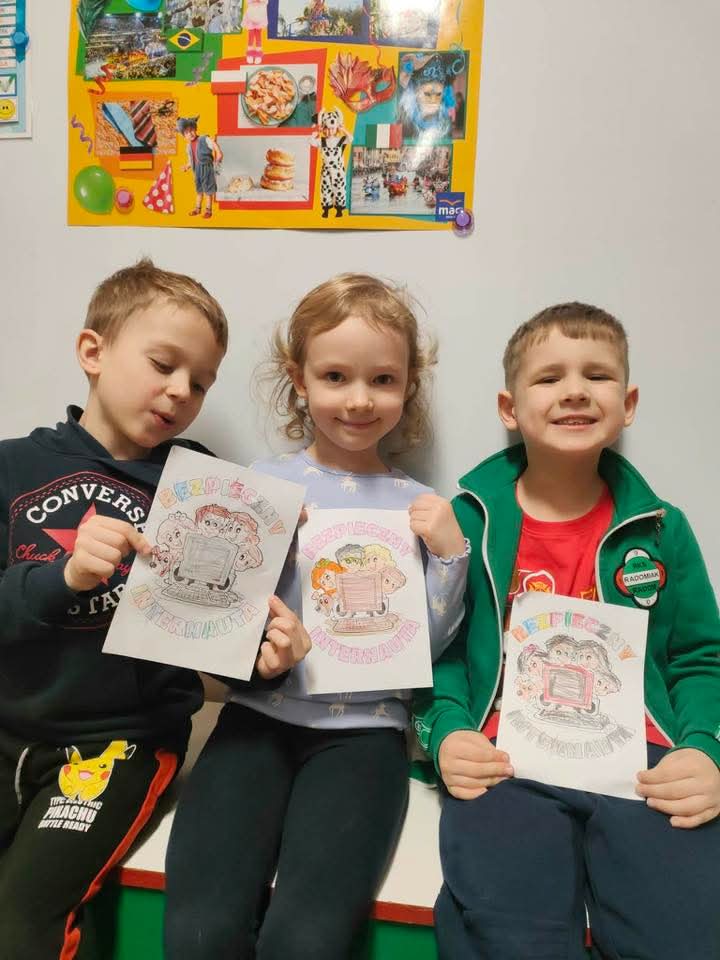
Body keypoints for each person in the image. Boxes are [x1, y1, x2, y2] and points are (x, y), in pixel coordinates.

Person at [0, 258, 305, 960]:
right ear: (93, 351)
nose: (180, 391)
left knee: (21, 923)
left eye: (200, 383)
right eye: (164, 365)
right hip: (8, 727)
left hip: (117, 745)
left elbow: (220, 639)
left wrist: (270, 659)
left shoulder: (204, 488)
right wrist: (62, 578)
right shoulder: (12, 467)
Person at [164, 272, 470, 960]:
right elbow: (212, 619)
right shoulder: (260, 484)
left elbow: (423, 649)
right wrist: (259, 626)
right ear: (298, 380)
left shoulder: (418, 503)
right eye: (335, 376)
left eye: (383, 380)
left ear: (408, 387)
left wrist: (451, 557)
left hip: (366, 735)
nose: (359, 399)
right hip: (256, 718)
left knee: (307, 942)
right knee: (198, 934)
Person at [413, 302, 720, 959]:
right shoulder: (465, 521)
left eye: (597, 376)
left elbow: (699, 658)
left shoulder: (663, 528)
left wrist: (704, 748)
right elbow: (437, 647)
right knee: (504, 934)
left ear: (628, 404)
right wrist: (449, 731)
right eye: (549, 377)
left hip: (644, 761)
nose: (575, 390)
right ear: (509, 408)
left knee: (687, 932)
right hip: (504, 758)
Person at [177, 116, 223, 219]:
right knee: (199, 191)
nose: (190, 133)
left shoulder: (203, 139)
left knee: (208, 191)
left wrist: (219, 152)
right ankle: (197, 209)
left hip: (206, 168)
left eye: (192, 130)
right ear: (184, 136)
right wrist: (187, 166)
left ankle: (208, 210)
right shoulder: (188, 146)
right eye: (187, 132)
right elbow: (191, 160)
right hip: (196, 170)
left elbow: (213, 143)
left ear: (195, 129)